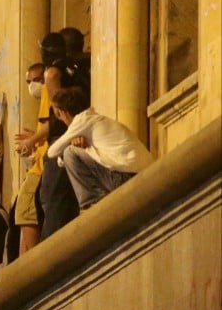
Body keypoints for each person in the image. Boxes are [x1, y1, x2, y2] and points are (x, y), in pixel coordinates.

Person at [46, 87, 152, 210]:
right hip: (142, 173)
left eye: (58, 115)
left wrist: (70, 144)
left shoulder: (82, 121)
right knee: (72, 151)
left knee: (69, 152)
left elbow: (52, 152)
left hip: (125, 177)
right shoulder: (94, 119)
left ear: (62, 112)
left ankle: (91, 202)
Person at [37, 32, 89, 240]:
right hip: (78, 140)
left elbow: (59, 112)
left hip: (63, 142)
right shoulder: (80, 68)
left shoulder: (54, 74)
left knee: (53, 203)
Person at [13, 63, 47, 256]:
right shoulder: (43, 98)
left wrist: (32, 140)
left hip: (41, 168)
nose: (32, 86)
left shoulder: (49, 94)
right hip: (38, 164)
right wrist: (35, 140)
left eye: (36, 80)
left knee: (25, 211)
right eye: (28, 82)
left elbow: (52, 127)